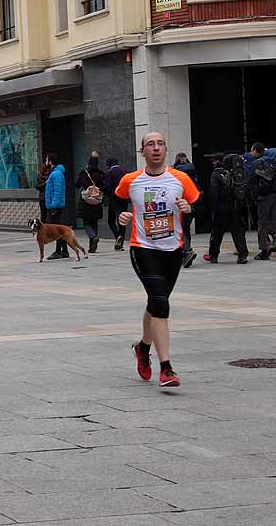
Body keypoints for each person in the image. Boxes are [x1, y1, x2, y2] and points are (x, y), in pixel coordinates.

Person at [117, 132, 199, 389]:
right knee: (160, 303)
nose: (155, 148)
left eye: (160, 144)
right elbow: (115, 207)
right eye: (150, 144)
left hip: (172, 250)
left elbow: (198, 206)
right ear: (142, 151)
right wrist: (121, 219)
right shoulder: (130, 181)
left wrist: (190, 209)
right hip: (142, 248)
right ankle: (166, 368)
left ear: (165, 150)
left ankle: (143, 347)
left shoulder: (181, 179)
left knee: (156, 303)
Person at [205, 154, 249, 264]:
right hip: (236, 207)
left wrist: (212, 208)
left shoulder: (216, 174)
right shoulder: (237, 173)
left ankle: (213, 255)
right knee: (238, 231)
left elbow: (214, 192)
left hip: (221, 208)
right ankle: (242, 254)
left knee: (217, 233)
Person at [172, 153, 200, 268]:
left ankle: (186, 251)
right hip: (191, 203)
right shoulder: (192, 169)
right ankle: (185, 252)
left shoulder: (175, 171)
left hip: (179, 202)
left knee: (178, 229)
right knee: (186, 228)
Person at [75, 154, 105, 254]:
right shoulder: (101, 174)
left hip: (86, 201)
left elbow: (77, 185)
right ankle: (92, 246)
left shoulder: (84, 174)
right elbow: (104, 186)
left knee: (86, 223)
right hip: (96, 201)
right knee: (94, 222)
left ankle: (93, 237)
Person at [44, 153, 69, 260]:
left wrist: (53, 206)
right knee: (59, 229)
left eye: (46, 160)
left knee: (56, 230)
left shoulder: (57, 174)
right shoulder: (54, 173)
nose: (45, 162)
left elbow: (57, 192)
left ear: (50, 161)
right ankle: (64, 251)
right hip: (55, 205)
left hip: (56, 206)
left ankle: (59, 251)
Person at [104, 158, 128, 250]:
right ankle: (120, 242)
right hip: (124, 198)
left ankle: (118, 235)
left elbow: (108, 187)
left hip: (114, 198)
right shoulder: (125, 172)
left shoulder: (109, 173)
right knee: (122, 219)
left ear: (108, 164)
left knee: (111, 220)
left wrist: (108, 196)